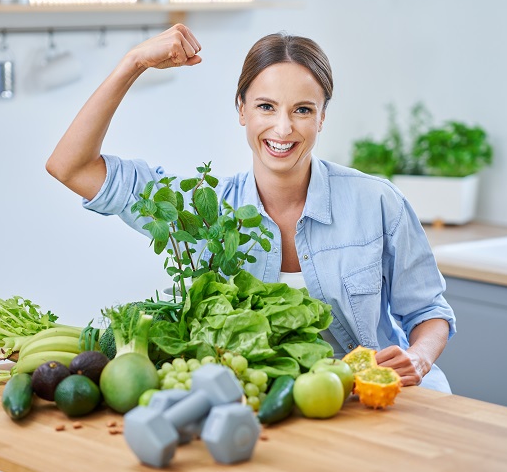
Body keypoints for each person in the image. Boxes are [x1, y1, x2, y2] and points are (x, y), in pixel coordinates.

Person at [46, 24, 456, 392]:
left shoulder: (377, 202)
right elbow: (70, 166)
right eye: (266, 106)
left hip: (379, 400)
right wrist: (132, 63)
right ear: (241, 110)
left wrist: (418, 357)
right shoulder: (197, 214)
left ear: (322, 118)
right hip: (272, 413)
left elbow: (429, 311)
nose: (283, 128)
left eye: (302, 110)